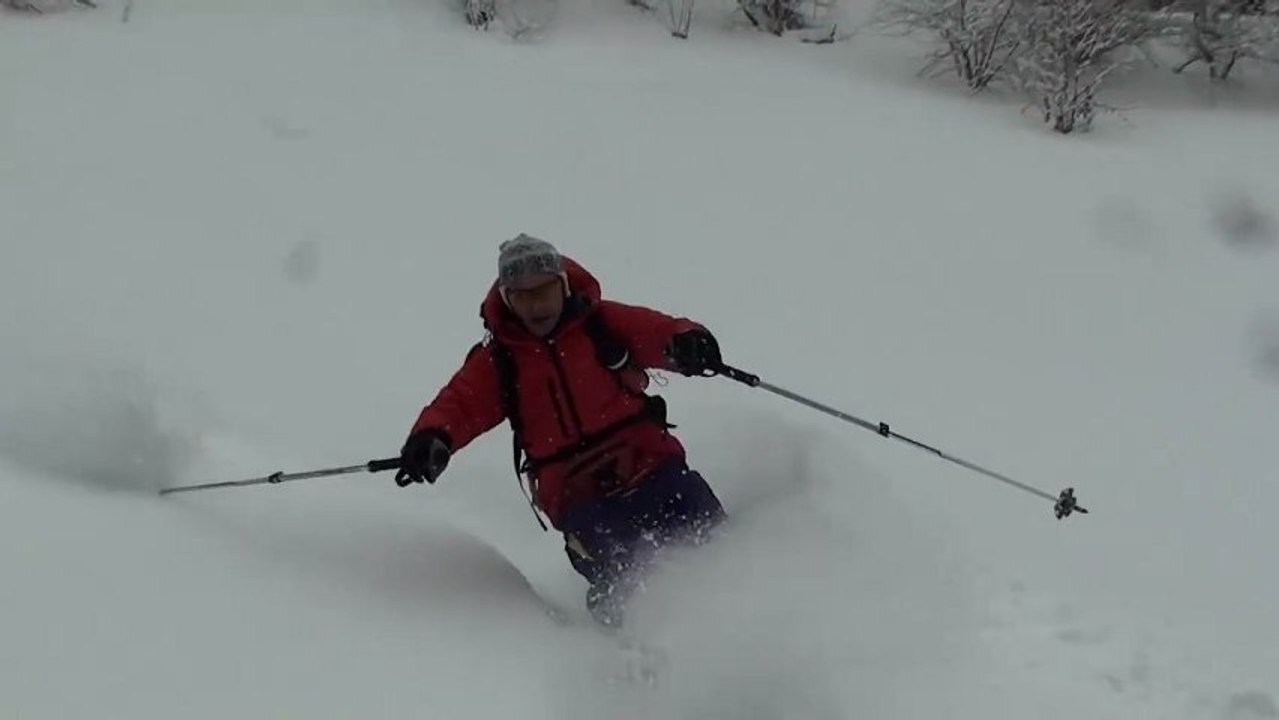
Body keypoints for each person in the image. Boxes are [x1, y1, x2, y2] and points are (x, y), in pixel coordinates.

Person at [395, 234, 727, 627]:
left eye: (545, 292)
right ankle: (637, 640)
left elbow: (658, 333)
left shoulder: (601, 323)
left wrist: (688, 342)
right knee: (617, 566)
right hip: (577, 493)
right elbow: (460, 404)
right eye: (523, 297)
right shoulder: (501, 360)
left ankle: (745, 605)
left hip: (649, 464)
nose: (537, 306)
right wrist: (431, 439)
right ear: (507, 299)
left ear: (563, 285)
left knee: (707, 530)